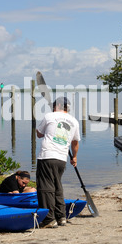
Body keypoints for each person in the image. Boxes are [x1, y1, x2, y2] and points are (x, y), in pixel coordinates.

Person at [36, 97, 80, 228]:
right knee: (57, 186)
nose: (52, 107)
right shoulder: (74, 121)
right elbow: (75, 142)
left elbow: (39, 134)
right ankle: (61, 217)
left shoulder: (49, 116)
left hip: (47, 155)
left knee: (45, 187)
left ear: (59, 105)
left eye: (54, 105)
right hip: (62, 158)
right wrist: (74, 157)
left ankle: (49, 219)